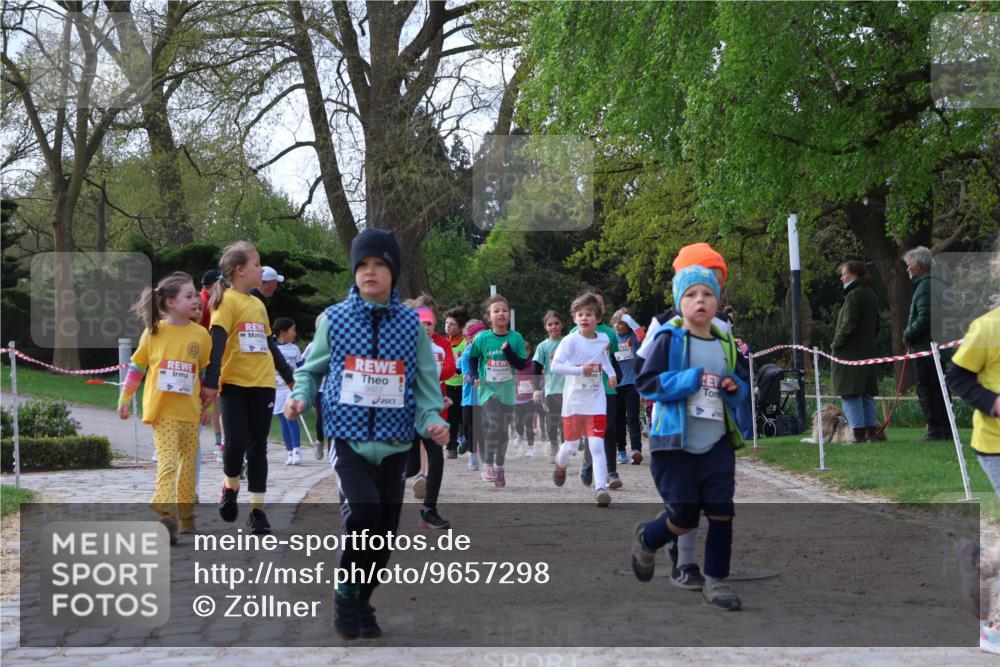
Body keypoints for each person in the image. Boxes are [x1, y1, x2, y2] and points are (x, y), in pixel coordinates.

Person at [284, 228, 449, 640]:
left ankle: (361, 597)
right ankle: (345, 595)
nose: (370, 272)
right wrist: (301, 396)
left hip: (395, 444)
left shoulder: (411, 326)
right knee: (362, 517)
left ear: (393, 272)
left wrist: (433, 419)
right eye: (363, 265)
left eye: (379, 265)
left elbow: (427, 387)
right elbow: (310, 368)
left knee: (383, 538)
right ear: (354, 272)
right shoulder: (335, 319)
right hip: (349, 439)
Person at [631, 265, 749, 611]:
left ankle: (716, 580)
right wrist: (689, 380)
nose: (700, 300)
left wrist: (732, 387)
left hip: (716, 442)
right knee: (684, 516)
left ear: (717, 302)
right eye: (691, 295)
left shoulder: (726, 341)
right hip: (675, 443)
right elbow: (647, 383)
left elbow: (741, 387)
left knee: (721, 512)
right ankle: (648, 538)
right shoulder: (668, 339)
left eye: (707, 294)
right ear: (678, 303)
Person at [201, 241, 296, 536]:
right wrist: (210, 383)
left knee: (259, 448)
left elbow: (270, 345)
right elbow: (216, 345)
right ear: (240, 270)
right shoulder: (226, 301)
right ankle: (230, 486)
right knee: (236, 442)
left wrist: (290, 378)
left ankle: (257, 512)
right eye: (257, 264)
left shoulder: (258, 304)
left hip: (263, 385)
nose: (261, 269)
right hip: (234, 385)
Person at [118, 272, 211, 543]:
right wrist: (125, 399)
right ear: (170, 302)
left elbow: (204, 374)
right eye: (189, 296)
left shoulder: (201, 335)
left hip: (191, 412)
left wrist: (210, 407)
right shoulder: (154, 332)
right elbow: (137, 368)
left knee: (189, 466)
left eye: (196, 295)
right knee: (168, 462)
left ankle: (186, 517)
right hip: (163, 411)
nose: (196, 301)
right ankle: (166, 516)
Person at [946, 238, 1000, 654]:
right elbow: (958, 378)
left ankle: (977, 559)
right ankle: (993, 628)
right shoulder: (988, 328)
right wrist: (992, 402)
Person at [550, 293, 618, 506]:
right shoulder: (570, 341)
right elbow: (555, 367)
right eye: (580, 314)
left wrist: (612, 374)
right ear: (574, 318)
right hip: (574, 403)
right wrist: (581, 370)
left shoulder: (604, 339)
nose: (584, 318)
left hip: (596, 401)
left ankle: (601, 489)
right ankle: (560, 465)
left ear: (598, 318)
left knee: (597, 445)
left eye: (589, 314)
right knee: (570, 447)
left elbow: (603, 358)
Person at [467, 295, 528, 488]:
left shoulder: (516, 338)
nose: (501, 313)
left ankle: (499, 468)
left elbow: (521, 364)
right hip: (488, 390)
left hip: (507, 391)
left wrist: (508, 352)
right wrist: (475, 374)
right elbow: (471, 358)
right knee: (493, 422)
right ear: (488, 317)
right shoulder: (483, 338)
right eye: (496, 311)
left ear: (509, 315)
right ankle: (487, 463)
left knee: (502, 432)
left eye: (504, 310)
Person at [404, 304, 456, 529]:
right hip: (405, 413)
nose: (425, 326)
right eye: (420, 322)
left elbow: (440, 374)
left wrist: (438, 399)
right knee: (412, 466)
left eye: (429, 322)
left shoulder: (437, 347)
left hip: (429, 412)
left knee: (436, 459)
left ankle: (429, 509)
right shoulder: (402, 346)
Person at [575, 290, 624, 490]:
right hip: (586, 388)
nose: (597, 307)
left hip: (607, 388)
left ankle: (611, 471)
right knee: (592, 430)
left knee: (610, 428)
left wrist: (616, 377)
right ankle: (588, 465)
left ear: (601, 310)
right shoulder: (574, 333)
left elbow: (612, 359)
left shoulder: (610, 334)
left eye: (599, 304)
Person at [903, 246, 953, 441]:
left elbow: (925, 318)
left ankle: (935, 429)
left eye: (908, 266)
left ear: (918, 266)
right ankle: (946, 428)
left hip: (926, 347)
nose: (907, 270)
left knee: (927, 388)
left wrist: (907, 333)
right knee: (939, 388)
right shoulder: (938, 284)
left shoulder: (925, 286)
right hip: (937, 344)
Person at [830, 260, 882, 443]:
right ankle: (872, 432)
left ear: (854, 275)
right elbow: (876, 325)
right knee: (866, 393)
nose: (842, 277)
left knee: (850, 392)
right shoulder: (871, 294)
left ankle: (857, 434)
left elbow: (848, 325)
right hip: (868, 350)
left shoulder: (854, 296)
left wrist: (836, 344)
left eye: (844, 273)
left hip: (850, 353)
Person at [532, 311, 566, 463]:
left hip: (569, 389)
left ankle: (565, 448)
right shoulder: (543, 346)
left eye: (556, 323)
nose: (554, 327)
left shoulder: (568, 342)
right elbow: (536, 368)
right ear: (546, 327)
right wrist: (537, 389)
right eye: (550, 324)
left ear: (562, 325)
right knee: (552, 422)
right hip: (551, 390)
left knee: (566, 421)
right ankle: (554, 446)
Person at [199, 269, 225, 462]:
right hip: (204, 357)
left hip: (211, 356)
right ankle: (218, 443)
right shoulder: (205, 302)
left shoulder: (212, 300)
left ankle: (219, 443)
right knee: (211, 399)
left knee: (215, 400)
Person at [612, 308, 643, 464]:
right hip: (615, 385)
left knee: (632, 418)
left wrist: (630, 320)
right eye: (616, 322)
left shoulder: (633, 337)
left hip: (631, 383)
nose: (618, 325)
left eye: (622, 322)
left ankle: (636, 450)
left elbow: (643, 335)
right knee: (618, 420)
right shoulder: (611, 338)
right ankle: (621, 451)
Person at [272, 317, 304, 465]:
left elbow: (302, 368)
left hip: (290, 387)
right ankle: (290, 452)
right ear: (283, 332)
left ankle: (297, 451)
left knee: (291, 417)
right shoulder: (271, 348)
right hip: (276, 389)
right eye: (293, 330)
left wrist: (296, 374)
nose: (295, 333)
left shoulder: (295, 349)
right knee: (282, 420)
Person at [459, 320, 487, 471]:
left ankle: (480, 451)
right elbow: (466, 375)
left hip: (485, 397)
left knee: (482, 427)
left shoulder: (488, 352)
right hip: (470, 398)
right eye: (478, 336)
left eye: (484, 335)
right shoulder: (467, 353)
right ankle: (471, 453)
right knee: (469, 428)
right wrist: (476, 379)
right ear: (470, 338)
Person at [444, 307, 470, 458]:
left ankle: (467, 438)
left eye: (452, 324)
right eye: (446, 323)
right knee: (450, 418)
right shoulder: (443, 342)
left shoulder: (466, 343)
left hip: (464, 385)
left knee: (464, 417)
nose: (448, 326)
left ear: (460, 327)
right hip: (448, 385)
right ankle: (451, 447)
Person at [513, 341, 539, 457]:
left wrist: (537, 388)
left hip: (529, 399)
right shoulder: (512, 365)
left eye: (525, 351)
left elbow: (539, 378)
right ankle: (520, 434)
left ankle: (530, 448)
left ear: (529, 351)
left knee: (529, 423)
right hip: (516, 399)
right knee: (518, 423)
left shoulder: (533, 365)